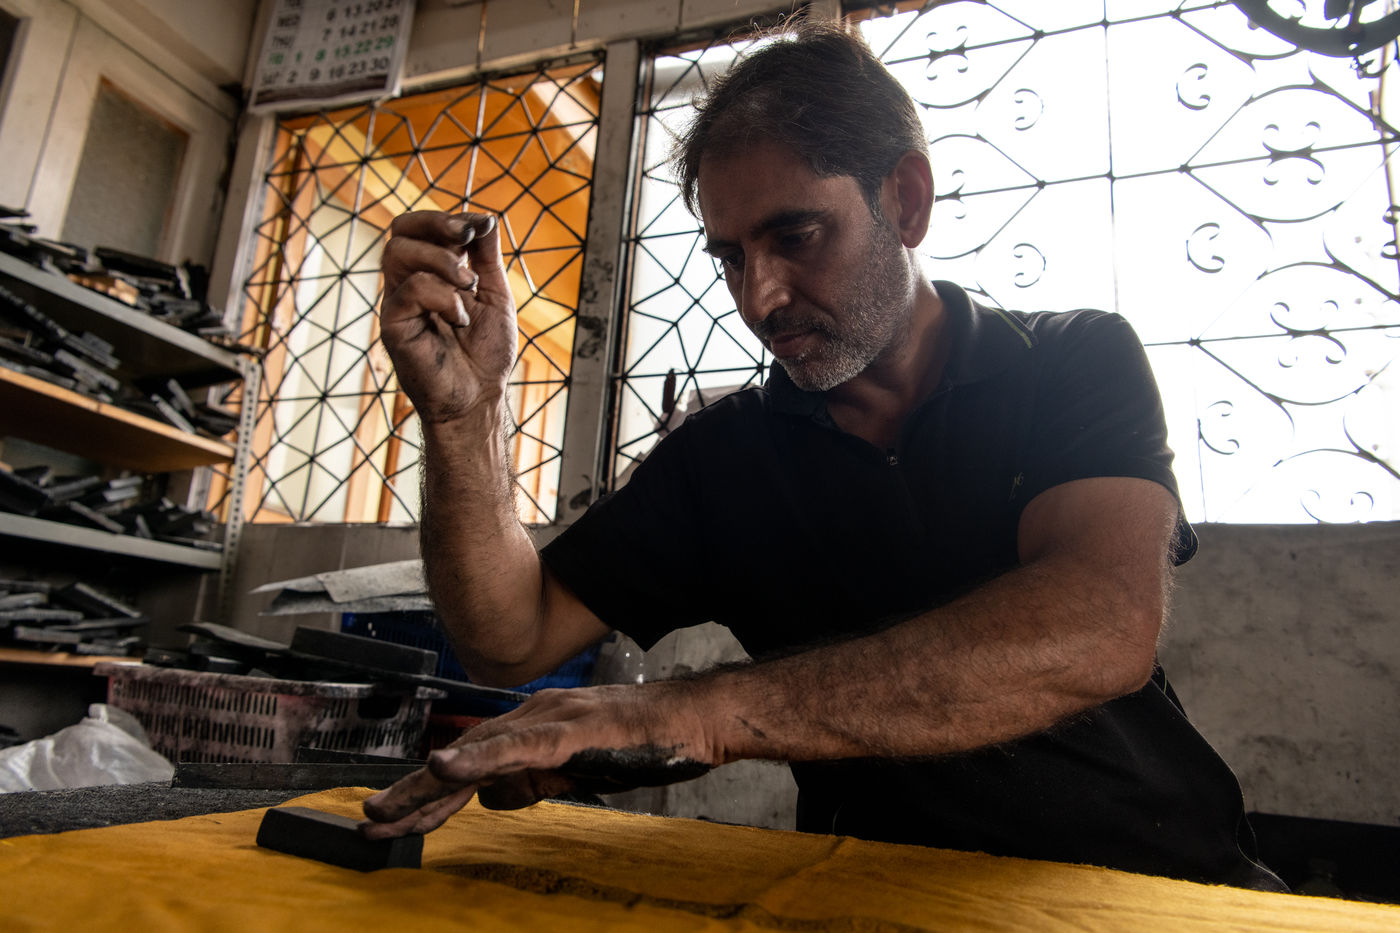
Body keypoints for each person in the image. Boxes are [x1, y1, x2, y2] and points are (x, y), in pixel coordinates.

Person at [361, 22, 1283, 890]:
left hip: (1164, 885)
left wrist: (693, 712)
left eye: (795, 237)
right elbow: (508, 636)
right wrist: (465, 418)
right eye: (731, 258)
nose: (759, 298)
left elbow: (1102, 621)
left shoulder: (1071, 360)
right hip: (876, 899)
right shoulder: (726, 461)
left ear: (906, 201)